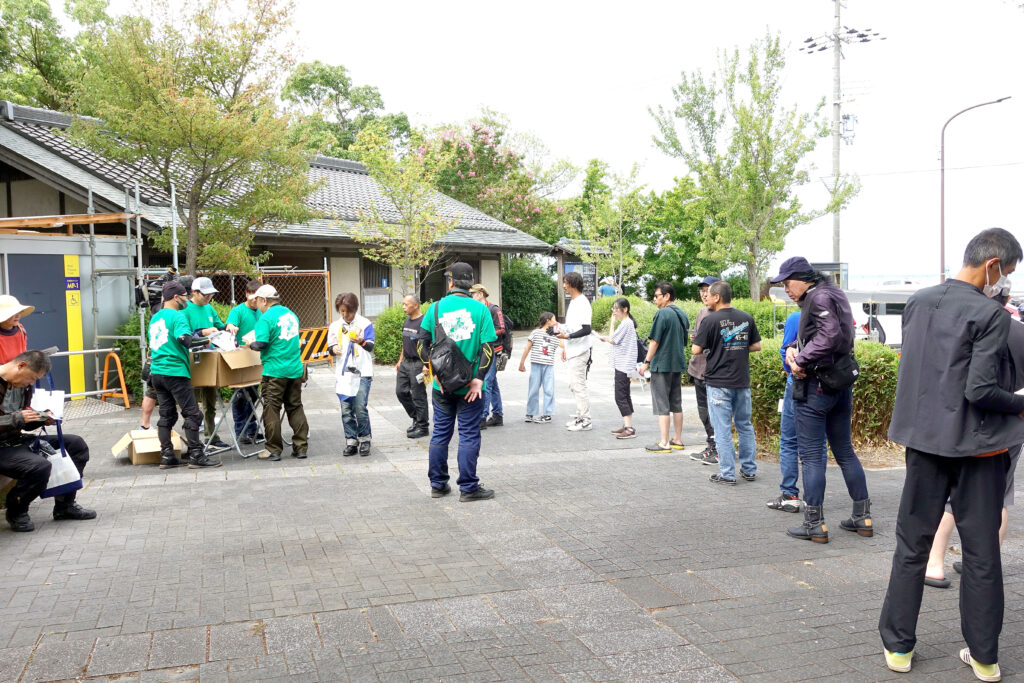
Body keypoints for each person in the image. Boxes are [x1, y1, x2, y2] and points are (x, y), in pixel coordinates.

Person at [878, 229, 1024, 679]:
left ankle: (898, 649)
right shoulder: (991, 314)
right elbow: (980, 389)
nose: (1007, 282)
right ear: (993, 265)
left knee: (911, 546)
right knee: (981, 554)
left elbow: (927, 372)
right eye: (1009, 273)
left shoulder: (918, 302)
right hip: (977, 450)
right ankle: (984, 659)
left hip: (924, 444)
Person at [770, 257, 871, 543]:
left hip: (815, 387)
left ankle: (814, 524)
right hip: (840, 383)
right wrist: (793, 347)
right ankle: (862, 517)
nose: (785, 289)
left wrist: (799, 359)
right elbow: (833, 336)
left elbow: (829, 334)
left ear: (804, 279)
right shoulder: (834, 293)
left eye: (788, 283)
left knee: (813, 456)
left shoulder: (817, 297)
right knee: (845, 451)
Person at [416, 262, 496, 502]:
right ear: (470, 284)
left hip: (442, 386)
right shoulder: (481, 309)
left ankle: (438, 485)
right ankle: (469, 488)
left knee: (440, 433)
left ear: (450, 282)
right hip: (469, 387)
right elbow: (488, 348)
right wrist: (478, 380)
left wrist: (436, 370)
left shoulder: (435, 308)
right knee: (469, 434)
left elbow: (420, 344)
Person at [0, 350, 96, 532]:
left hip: (15, 439)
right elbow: (16, 419)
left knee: (76, 445)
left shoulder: (23, 386)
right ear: (21, 366)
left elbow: (23, 424)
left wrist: (39, 418)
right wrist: (17, 418)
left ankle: (64, 505)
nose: (32, 383)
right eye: (32, 378)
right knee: (39, 466)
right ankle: (16, 510)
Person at [692, 281, 761, 484]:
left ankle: (728, 473)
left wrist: (717, 346)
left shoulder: (710, 320)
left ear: (717, 297)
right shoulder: (746, 317)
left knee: (722, 428)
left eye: (709, 295)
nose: (707, 298)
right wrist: (735, 346)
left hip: (718, 381)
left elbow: (696, 350)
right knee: (744, 425)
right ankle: (749, 470)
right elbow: (756, 346)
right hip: (741, 381)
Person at [147, 281, 220, 470]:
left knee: (166, 415)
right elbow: (184, 340)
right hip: (175, 371)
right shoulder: (177, 316)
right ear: (176, 297)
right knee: (193, 414)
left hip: (157, 372)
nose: (187, 299)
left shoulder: (155, 318)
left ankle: (167, 456)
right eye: (185, 296)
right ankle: (196, 455)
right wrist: (205, 341)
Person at [766, 310, 825, 512]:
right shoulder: (835, 315)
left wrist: (792, 369)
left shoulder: (796, 317)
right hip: (826, 388)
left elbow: (785, 353)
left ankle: (790, 495)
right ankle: (814, 500)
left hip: (798, 385)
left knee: (789, 440)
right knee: (818, 446)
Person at [249, 285, 309, 461]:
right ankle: (301, 447)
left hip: (275, 370)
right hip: (295, 369)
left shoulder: (266, 318)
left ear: (264, 300)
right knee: (295, 406)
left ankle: (273, 449)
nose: (257, 304)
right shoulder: (291, 314)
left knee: (272, 408)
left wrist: (249, 344)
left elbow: (261, 344)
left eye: (258, 300)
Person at [640, 281, 689, 453]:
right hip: (677, 364)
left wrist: (646, 362)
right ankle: (677, 439)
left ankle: (664, 442)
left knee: (662, 405)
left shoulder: (662, 314)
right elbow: (684, 341)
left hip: (662, 364)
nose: (654, 299)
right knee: (677, 403)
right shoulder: (682, 314)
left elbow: (654, 341)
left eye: (656, 296)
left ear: (667, 296)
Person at [183, 276, 229, 450]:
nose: (209, 298)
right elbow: (183, 336)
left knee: (210, 402)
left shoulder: (209, 308)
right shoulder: (185, 309)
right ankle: (194, 441)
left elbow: (219, 326)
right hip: (191, 362)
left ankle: (212, 436)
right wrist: (203, 332)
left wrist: (228, 327)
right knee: (192, 405)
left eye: (211, 294)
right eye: (205, 295)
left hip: (209, 360)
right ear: (194, 292)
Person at [327, 292, 375, 457]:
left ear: (355, 309)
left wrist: (361, 341)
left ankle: (365, 439)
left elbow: (370, 346)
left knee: (360, 407)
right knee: (346, 409)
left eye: (348, 311)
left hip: (363, 371)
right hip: (344, 373)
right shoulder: (335, 326)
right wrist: (334, 349)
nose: (346, 315)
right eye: (342, 311)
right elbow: (330, 347)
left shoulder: (364, 323)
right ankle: (351, 441)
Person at [225, 280, 262, 444]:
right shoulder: (238, 311)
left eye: (258, 297)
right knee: (240, 396)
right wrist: (231, 327)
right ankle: (242, 431)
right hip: (241, 358)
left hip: (257, 357)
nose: (255, 300)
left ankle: (252, 429)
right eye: (252, 297)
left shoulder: (263, 310)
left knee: (253, 395)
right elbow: (230, 325)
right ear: (246, 294)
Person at [687, 277, 720, 465]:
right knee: (703, 412)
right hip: (697, 369)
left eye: (707, 290)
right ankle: (711, 444)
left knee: (715, 413)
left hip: (713, 372)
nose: (704, 294)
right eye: (701, 290)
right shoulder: (702, 312)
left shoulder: (723, 314)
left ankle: (718, 448)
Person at [557, 271, 594, 431]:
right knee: (574, 385)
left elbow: (586, 329)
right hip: (573, 349)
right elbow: (572, 326)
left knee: (578, 385)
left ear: (572, 283)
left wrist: (568, 336)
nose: (564, 286)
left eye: (565, 282)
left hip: (580, 351)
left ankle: (586, 419)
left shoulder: (582, 302)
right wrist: (563, 338)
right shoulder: (573, 302)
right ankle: (581, 416)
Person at [601, 298, 639, 439]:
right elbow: (613, 338)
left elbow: (612, 339)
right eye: (614, 308)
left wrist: (604, 338)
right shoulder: (626, 323)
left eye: (617, 308)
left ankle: (629, 428)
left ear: (625, 309)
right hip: (623, 364)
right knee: (624, 394)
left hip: (624, 364)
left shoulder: (626, 323)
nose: (615, 311)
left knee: (620, 396)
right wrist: (612, 322)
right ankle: (627, 425)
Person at [470, 284, 506, 429]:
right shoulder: (477, 309)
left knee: (486, 383)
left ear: (480, 294)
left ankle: (482, 417)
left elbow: (502, 328)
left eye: (473, 294)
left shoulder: (493, 309)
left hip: (493, 350)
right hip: (482, 351)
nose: (471, 296)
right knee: (492, 383)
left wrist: (485, 334)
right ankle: (498, 415)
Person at [395, 294, 429, 439]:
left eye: (406, 304)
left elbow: (430, 345)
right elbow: (405, 342)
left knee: (418, 395)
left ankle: (423, 426)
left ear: (415, 305)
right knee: (401, 392)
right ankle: (416, 417)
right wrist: (400, 360)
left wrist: (427, 365)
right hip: (405, 363)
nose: (403, 307)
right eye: (403, 304)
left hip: (419, 364)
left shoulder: (424, 323)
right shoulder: (407, 321)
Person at [519, 312, 560, 424]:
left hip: (549, 365)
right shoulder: (536, 332)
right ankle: (530, 413)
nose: (556, 321)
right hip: (536, 364)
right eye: (554, 319)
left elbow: (562, 344)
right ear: (548, 320)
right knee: (533, 389)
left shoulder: (554, 333)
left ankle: (547, 414)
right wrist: (521, 363)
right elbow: (527, 348)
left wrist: (556, 328)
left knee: (549, 389)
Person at [0, 295, 32, 363]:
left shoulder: (21, 329)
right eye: (13, 313)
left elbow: (24, 352)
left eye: (19, 312)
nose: (18, 316)